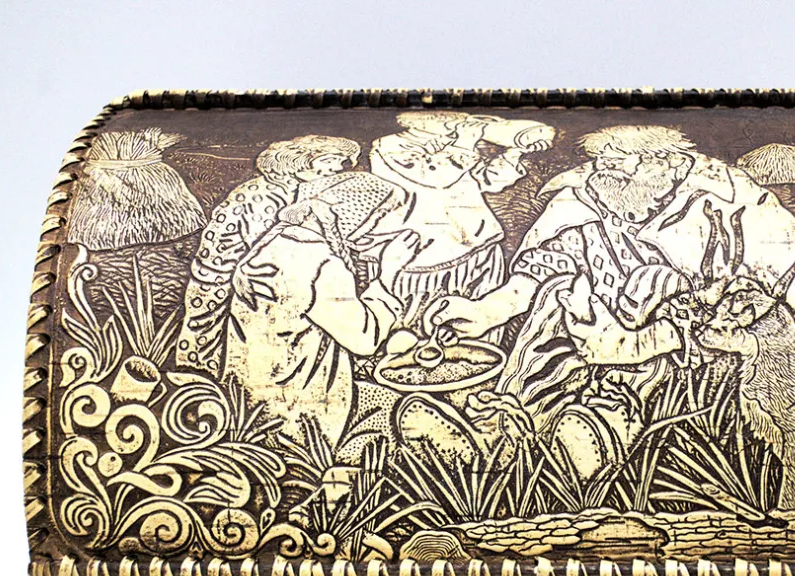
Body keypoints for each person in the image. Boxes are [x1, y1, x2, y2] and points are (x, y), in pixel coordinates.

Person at [413, 125, 795, 478]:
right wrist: (488, 310)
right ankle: (501, 431)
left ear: (668, 163)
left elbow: (753, 313)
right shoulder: (588, 197)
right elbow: (550, 262)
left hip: (684, 360)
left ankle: (593, 434)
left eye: (618, 159)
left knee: (655, 284)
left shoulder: (738, 209)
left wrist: (631, 345)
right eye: (601, 159)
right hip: (586, 343)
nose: (603, 169)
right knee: (560, 295)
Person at [223, 191, 420, 447]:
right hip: (301, 417)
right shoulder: (322, 264)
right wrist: (388, 272)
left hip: (250, 400)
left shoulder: (275, 243)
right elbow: (365, 339)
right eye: (375, 221)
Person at [176, 135, 363, 376]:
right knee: (209, 337)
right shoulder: (262, 194)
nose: (337, 168)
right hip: (222, 279)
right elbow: (266, 248)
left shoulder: (304, 190)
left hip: (265, 278)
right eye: (328, 160)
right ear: (300, 161)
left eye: (340, 161)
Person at [369, 111, 553, 339]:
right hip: (421, 259)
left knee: (475, 332)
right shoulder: (391, 146)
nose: (455, 123)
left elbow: (489, 181)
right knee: (413, 335)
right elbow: (437, 177)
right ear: (415, 120)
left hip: (478, 249)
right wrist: (465, 142)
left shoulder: (453, 144)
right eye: (444, 118)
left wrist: (514, 153)